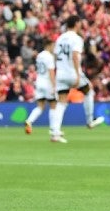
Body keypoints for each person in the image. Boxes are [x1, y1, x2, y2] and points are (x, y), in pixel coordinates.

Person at [49, 15, 105, 143]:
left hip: (61, 73)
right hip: (72, 72)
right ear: (76, 24)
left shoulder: (60, 38)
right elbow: (75, 55)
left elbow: (56, 56)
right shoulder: (76, 38)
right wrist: (77, 74)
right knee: (88, 90)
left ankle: (55, 133)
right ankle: (90, 121)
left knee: (62, 103)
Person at [24, 38, 56, 136]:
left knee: (40, 106)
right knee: (53, 106)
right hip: (47, 83)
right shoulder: (49, 57)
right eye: (53, 45)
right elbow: (51, 72)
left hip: (39, 82)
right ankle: (53, 129)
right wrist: (54, 86)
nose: (54, 48)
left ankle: (29, 121)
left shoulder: (39, 56)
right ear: (49, 45)